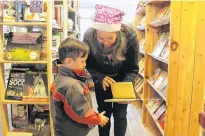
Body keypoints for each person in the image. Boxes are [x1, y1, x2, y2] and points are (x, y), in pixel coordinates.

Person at [83, 4, 139, 136]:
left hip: (122, 78)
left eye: (110, 38)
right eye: (101, 38)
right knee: (103, 113)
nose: (106, 43)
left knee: (120, 114)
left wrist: (125, 88)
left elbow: (132, 68)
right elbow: (86, 64)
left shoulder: (129, 35)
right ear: (95, 33)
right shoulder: (89, 35)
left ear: (117, 33)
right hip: (101, 78)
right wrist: (99, 78)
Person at [50, 37, 109, 136]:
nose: (85, 64)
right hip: (72, 132)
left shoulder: (60, 79)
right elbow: (81, 112)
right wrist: (98, 119)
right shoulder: (72, 86)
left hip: (62, 128)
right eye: (82, 61)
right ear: (69, 61)